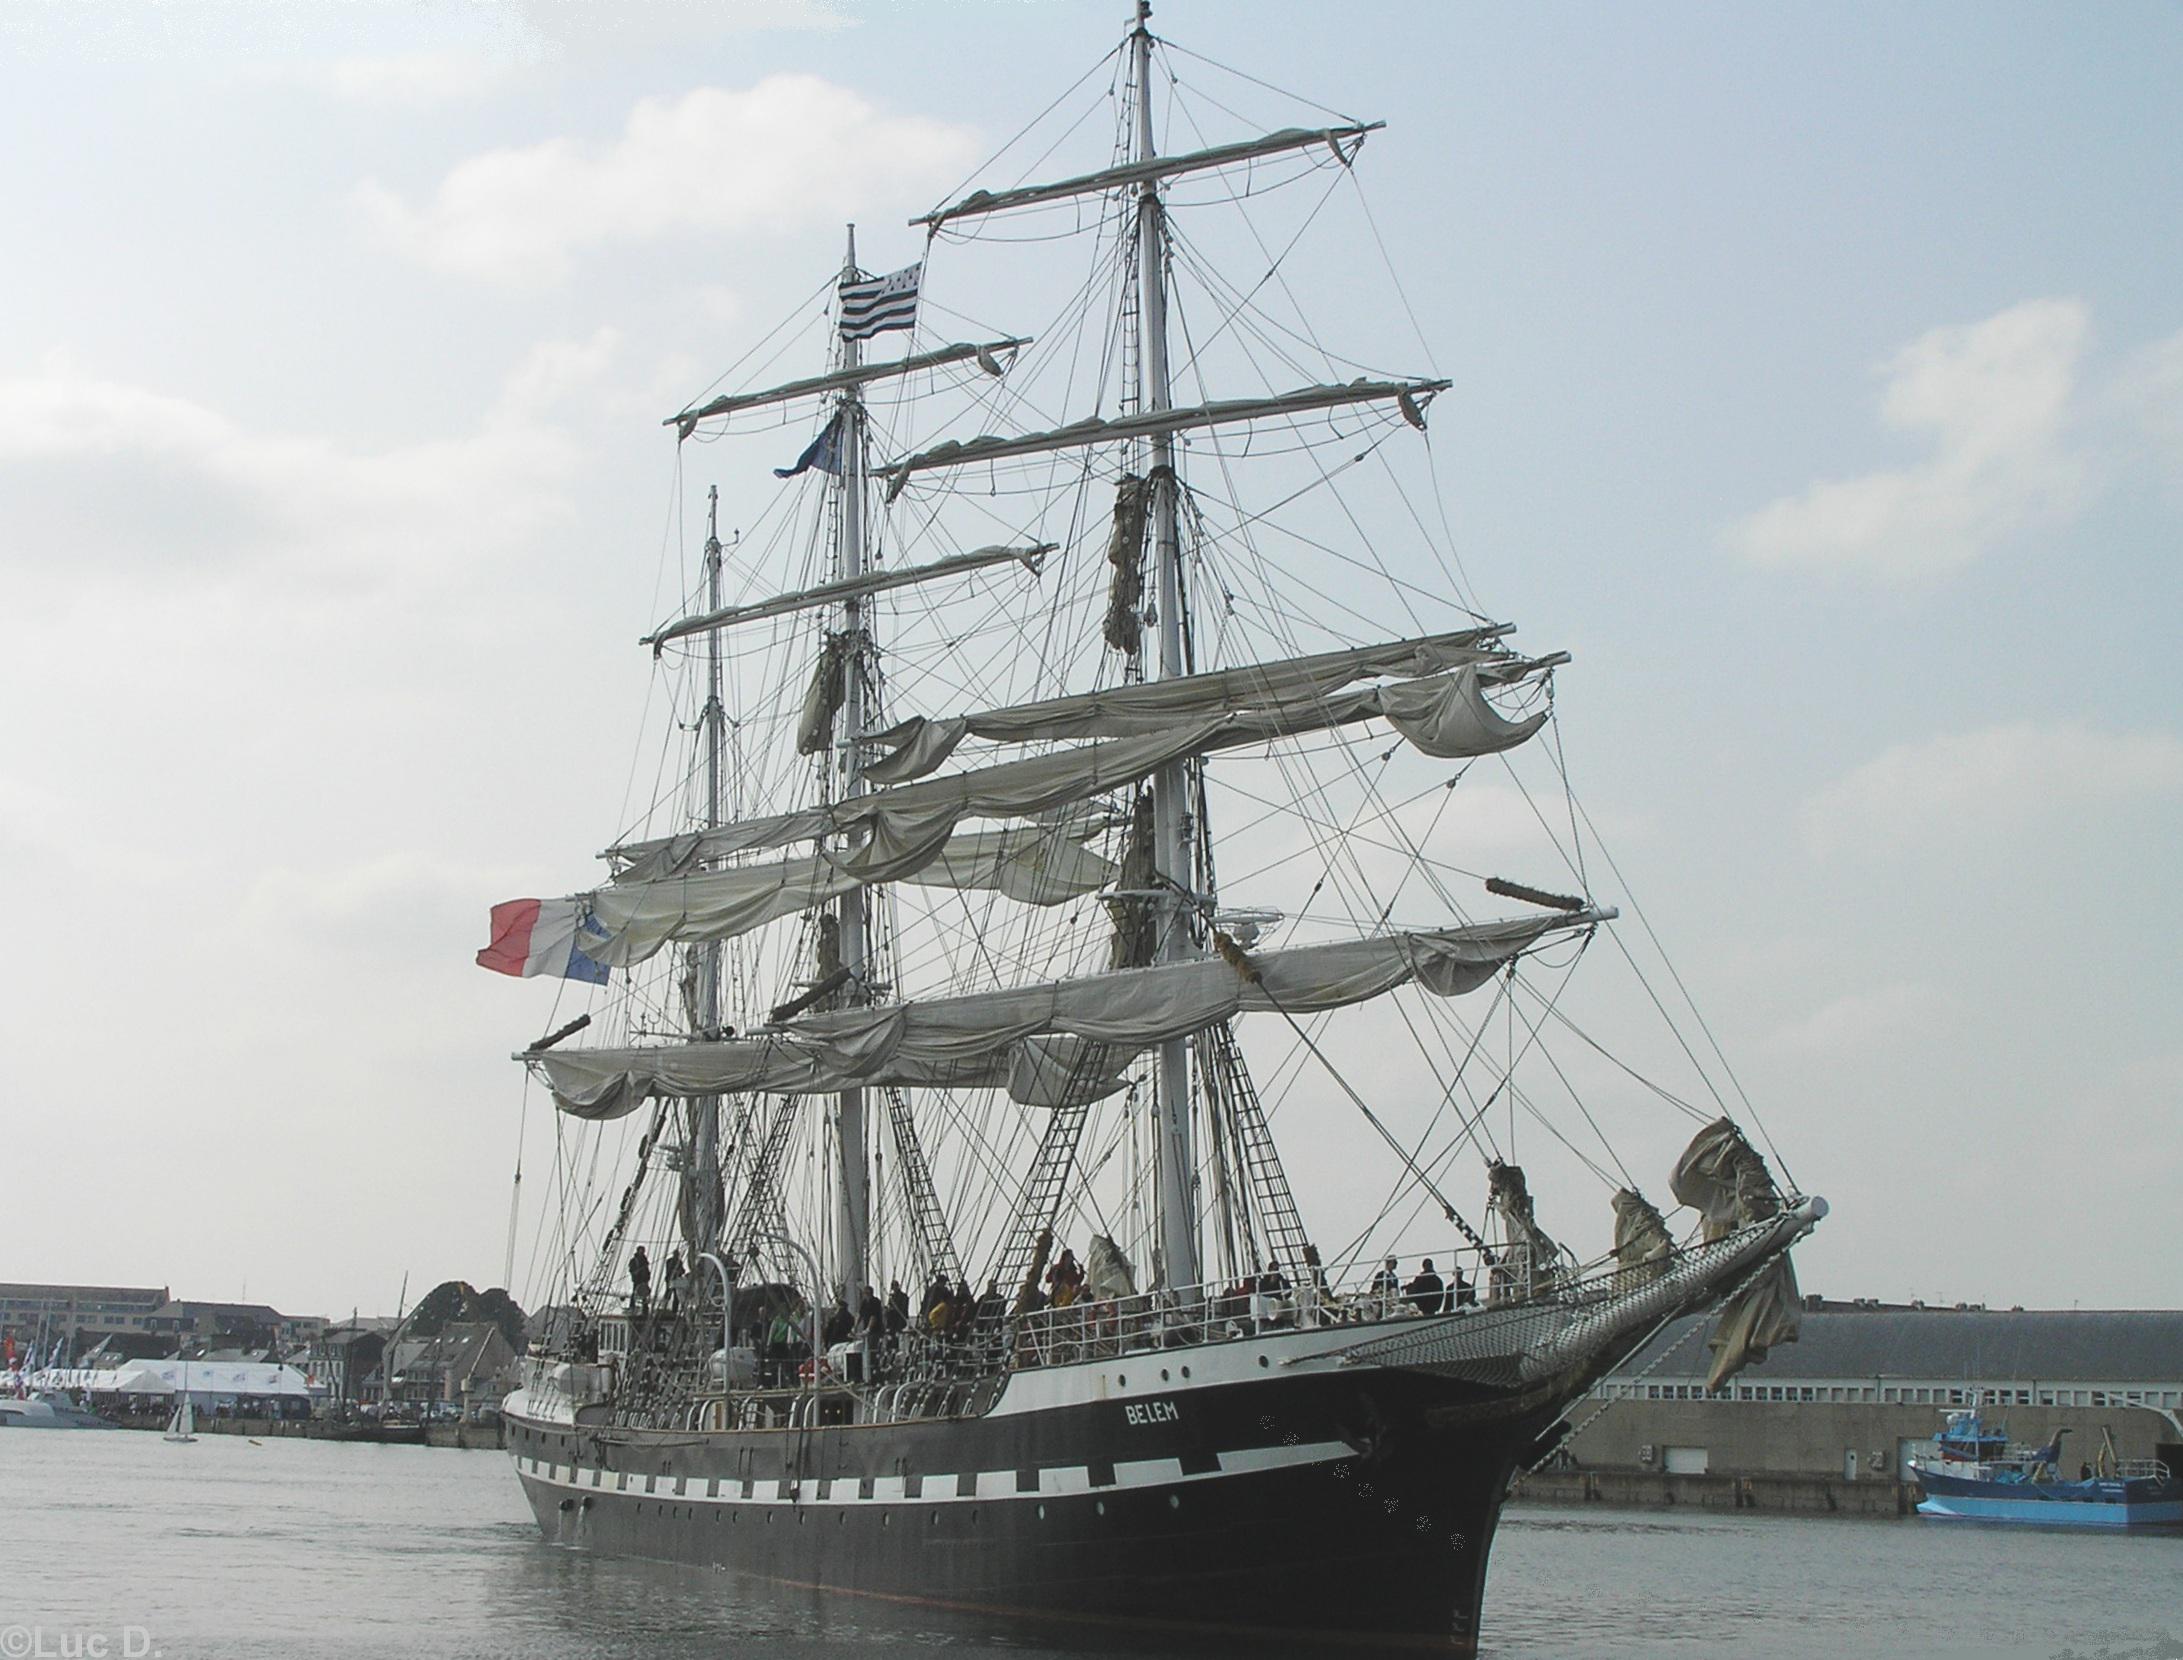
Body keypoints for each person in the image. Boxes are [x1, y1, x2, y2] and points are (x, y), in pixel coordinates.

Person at [628, 1245, 652, 1317]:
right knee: (635, 1292)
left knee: (644, 1293)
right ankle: (632, 1305)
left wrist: (647, 1277)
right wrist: (635, 1272)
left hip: (644, 1279)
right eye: (641, 1251)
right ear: (638, 1251)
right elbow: (631, 1269)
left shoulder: (645, 1260)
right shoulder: (634, 1260)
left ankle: (645, 1307)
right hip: (637, 1279)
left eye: (643, 1251)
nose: (642, 1252)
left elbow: (647, 1269)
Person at [661, 1250, 685, 1318]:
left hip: (676, 1280)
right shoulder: (670, 1261)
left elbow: (682, 1270)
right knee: (668, 1294)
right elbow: (669, 1269)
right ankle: (664, 1307)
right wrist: (676, 1271)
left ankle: (674, 1310)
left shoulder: (679, 1261)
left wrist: (681, 1271)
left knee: (676, 1295)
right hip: (670, 1279)